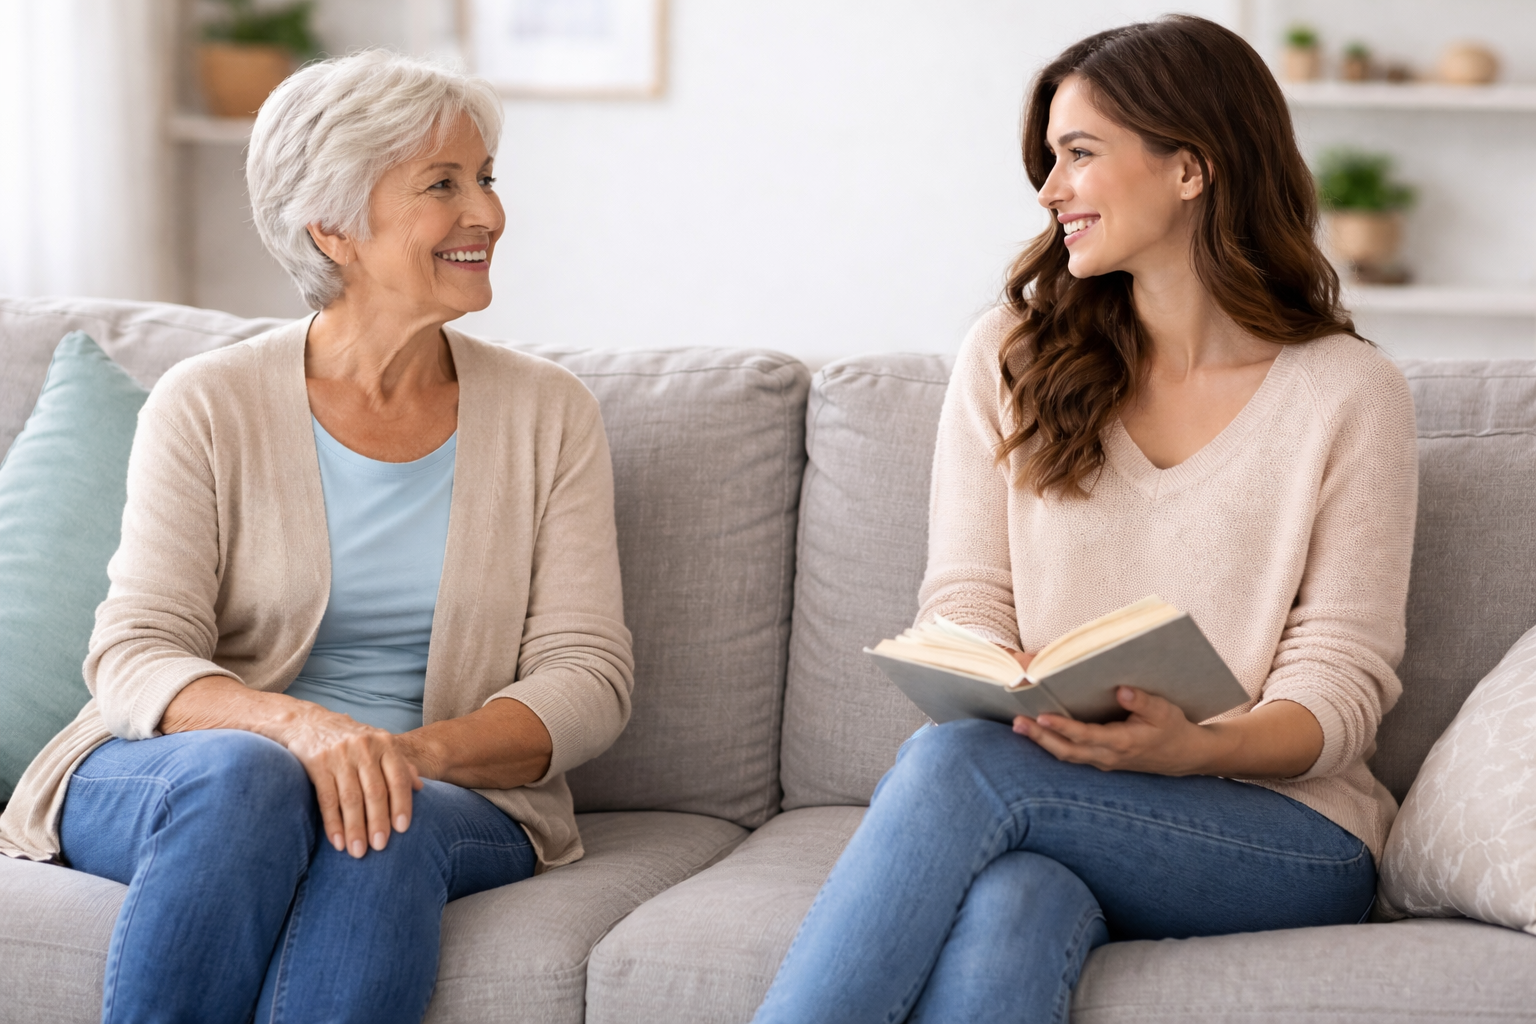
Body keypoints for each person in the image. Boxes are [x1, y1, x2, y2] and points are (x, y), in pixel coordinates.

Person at [752, 16, 1416, 1024]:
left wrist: (1193, 748)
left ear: (1190, 167)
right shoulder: (1011, 355)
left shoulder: (1347, 391)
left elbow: (1342, 680)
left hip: (1286, 829)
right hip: (1065, 788)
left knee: (954, 768)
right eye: (1049, 158)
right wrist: (993, 679)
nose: (1049, 189)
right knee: (1019, 897)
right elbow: (968, 595)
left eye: (1079, 155)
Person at [0, 51, 634, 1024]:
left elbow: (587, 678)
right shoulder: (208, 402)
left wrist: (403, 755)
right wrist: (305, 729)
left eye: (487, 178)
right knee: (249, 773)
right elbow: (133, 656)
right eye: (443, 185)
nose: (489, 214)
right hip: (210, 769)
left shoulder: (551, 415)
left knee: (383, 815)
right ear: (332, 228)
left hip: (446, 790)